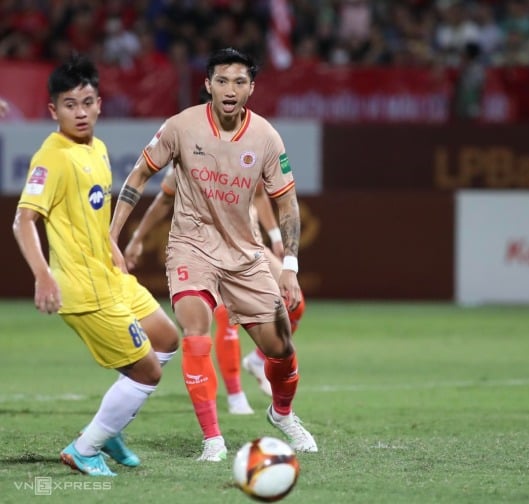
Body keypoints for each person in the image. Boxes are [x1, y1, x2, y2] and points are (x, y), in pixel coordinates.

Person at [109, 47, 317, 461]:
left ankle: (282, 413)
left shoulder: (266, 137)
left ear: (252, 89)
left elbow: (286, 202)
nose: (230, 89)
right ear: (207, 84)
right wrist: (114, 239)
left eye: (240, 81)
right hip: (192, 248)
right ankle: (213, 439)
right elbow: (140, 176)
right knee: (196, 334)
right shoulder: (181, 127)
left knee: (281, 349)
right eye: (222, 80)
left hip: (246, 256)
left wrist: (289, 266)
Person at [12, 55, 179, 476]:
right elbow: (23, 220)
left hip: (108, 274)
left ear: (100, 103)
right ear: (53, 111)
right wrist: (43, 276)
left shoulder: (99, 149)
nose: (80, 112)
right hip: (83, 290)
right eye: (70, 104)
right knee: (148, 373)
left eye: (87, 102)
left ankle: (113, 423)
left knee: (167, 337)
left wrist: (111, 243)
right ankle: (86, 447)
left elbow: (91, 211)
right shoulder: (53, 158)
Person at [123, 168, 307, 412]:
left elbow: (260, 194)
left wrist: (274, 235)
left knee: (295, 303)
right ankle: (235, 395)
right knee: (225, 316)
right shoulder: (191, 148)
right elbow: (164, 198)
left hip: (250, 246)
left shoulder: (251, 144)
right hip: (209, 250)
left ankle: (257, 360)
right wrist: (137, 237)